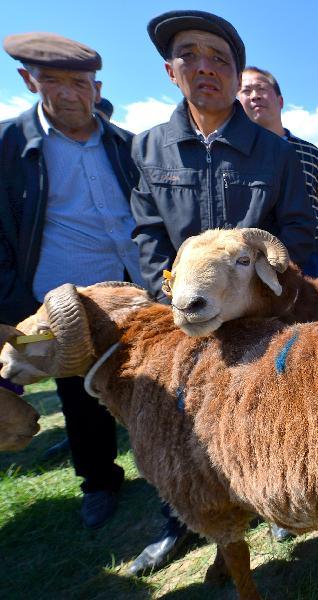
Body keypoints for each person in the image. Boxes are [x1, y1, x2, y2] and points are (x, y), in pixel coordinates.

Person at [128, 9, 316, 574]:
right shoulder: (148, 149)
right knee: (180, 423)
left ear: (237, 77)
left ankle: (277, 501)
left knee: (268, 413)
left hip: (260, 319)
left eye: (220, 59)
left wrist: (268, 293)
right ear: (170, 70)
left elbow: (300, 233)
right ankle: (185, 524)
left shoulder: (276, 153)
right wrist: (172, 297)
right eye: (190, 55)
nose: (204, 68)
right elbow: (146, 232)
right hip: (184, 316)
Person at [0, 32, 142, 530]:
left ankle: (166, 468)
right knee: (79, 398)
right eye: (52, 81)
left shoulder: (125, 144)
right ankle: (99, 482)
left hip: (130, 293)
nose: (67, 93)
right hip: (61, 303)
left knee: (146, 386)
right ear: (28, 80)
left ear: (96, 86)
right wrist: (9, 303)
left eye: (78, 83)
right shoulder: (9, 146)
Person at [238, 66, 318, 276]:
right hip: (255, 258)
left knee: (316, 309)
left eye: (261, 88)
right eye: (246, 90)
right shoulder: (234, 154)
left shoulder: (309, 151)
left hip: (312, 254)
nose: (254, 96)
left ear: (280, 101)